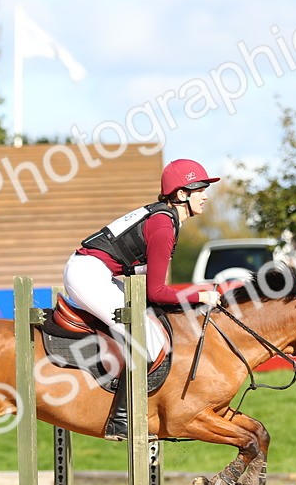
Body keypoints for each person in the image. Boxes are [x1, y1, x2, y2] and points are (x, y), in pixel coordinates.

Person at [63, 158, 223, 440]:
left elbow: (152, 293)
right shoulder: (163, 226)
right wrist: (201, 295)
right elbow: (156, 292)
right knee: (148, 341)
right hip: (88, 274)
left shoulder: (166, 218)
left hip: (94, 271)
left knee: (151, 325)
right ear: (181, 194)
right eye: (200, 189)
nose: (206, 195)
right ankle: (121, 421)